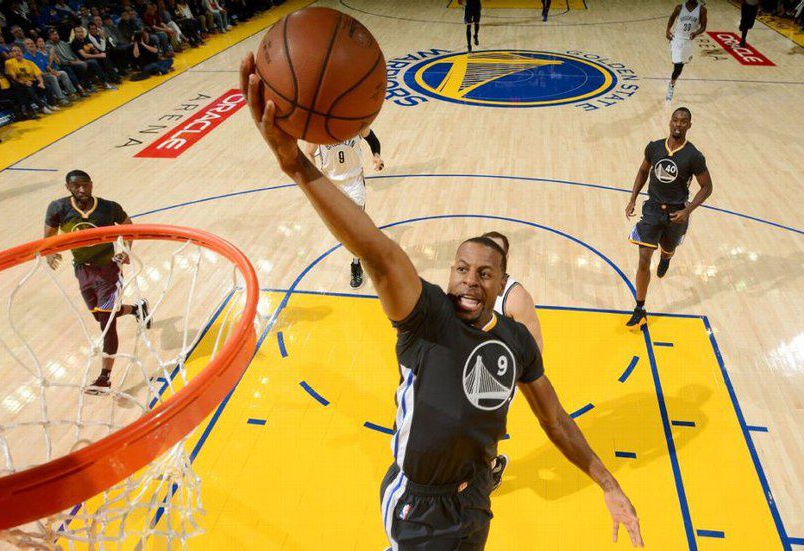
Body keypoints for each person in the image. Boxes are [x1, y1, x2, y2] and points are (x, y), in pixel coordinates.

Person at [240, 52, 644, 550]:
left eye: (484, 274)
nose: (470, 282)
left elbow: (555, 420)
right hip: (419, 506)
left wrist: (609, 485)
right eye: (461, 269)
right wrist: (297, 166)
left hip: (475, 499)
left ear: (502, 284)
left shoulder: (516, 341)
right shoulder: (427, 318)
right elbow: (378, 251)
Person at [44, 170, 151, 393]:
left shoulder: (108, 207)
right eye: (76, 186)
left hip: (109, 270)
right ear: (67, 187)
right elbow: (49, 237)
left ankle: (104, 378)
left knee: (106, 322)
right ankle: (136, 309)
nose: (82, 189)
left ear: (92, 184)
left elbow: (129, 227)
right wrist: (50, 252)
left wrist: (125, 251)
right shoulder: (58, 208)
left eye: (86, 184)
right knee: (98, 315)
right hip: (82, 269)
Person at [624, 108, 713, 328]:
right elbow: (643, 171)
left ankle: (666, 256)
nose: (678, 124)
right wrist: (633, 198)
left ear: (689, 125)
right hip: (653, 210)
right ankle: (640, 308)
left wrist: (688, 211)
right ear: (670, 121)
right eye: (675, 120)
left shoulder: (693, 156)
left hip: (677, 213)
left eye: (683, 121)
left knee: (668, 248)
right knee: (643, 258)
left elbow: (707, 187)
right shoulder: (654, 147)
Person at [479, 230, 545, 490]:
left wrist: (513, 380)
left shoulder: (515, 296)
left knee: (482, 432)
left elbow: (534, 346)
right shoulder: (469, 284)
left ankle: (488, 470)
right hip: (468, 368)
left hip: (498, 379)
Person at [302, 128, 384, 288]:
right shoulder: (319, 128)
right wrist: (314, 176)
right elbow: (309, 153)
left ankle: (356, 263)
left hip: (354, 182)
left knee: (355, 229)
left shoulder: (356, 122)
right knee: (343, 230)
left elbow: (373, 140)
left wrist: (376, 156)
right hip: (331, 184)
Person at [665, 0, 707, 102]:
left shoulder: (702, 10)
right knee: (678, 65)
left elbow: (703, 26)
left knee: (679, 68)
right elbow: (672, 18)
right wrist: (667, 30)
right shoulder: (679, 7)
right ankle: (671, 86)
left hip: (688, 41)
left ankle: (672, 82)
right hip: (677, 39)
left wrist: (696, 33)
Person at [6, 44, 60, 108]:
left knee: (47, 87)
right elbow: (14, 77)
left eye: (19, 51)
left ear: (22, 53)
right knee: (29, 89)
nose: (17, 52)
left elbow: (38, 74)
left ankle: (52, 105)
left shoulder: (29, 62)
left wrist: (41, 83)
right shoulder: (9, 63)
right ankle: (42, 107)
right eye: (14, 51)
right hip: (21, 83)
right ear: (11, 54)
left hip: (32, 81)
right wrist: (24, 82)